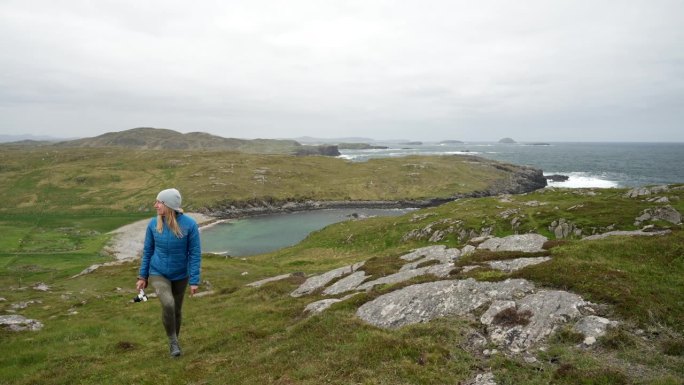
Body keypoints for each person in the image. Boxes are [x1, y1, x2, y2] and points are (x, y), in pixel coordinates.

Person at [136, 188, 201, 357]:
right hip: (158, 273)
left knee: (177, 310)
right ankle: (173, 342)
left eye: (159, 202)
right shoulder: (153, 224)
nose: (155, 205)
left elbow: (194, 254)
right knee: (168, 304)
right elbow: (148, 251)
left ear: (168, 205)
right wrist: (143, 276)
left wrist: (194, 280)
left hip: (181, 275)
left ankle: (175, 342)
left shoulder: (190, 225)